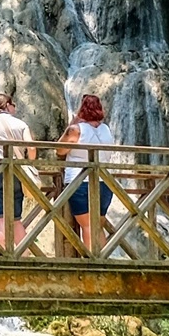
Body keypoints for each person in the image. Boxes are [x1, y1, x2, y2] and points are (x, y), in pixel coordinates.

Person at [57, 94, 116, 256]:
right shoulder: (106, 129)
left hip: (80, 181)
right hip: (104, 181)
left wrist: (73, 122)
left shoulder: (75, 130)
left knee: (88, 225)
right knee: (97, 226)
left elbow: (60, 150)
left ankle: (91, 261)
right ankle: (103, 261)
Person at [0, 93, 33, 248]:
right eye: (13, 104)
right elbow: (32, 147)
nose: (14, 107)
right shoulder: (21, 124)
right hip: (16, 170)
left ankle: (4, 255)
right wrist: (29, 162)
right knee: (15, 218)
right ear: (7, 105)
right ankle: (24, 255)